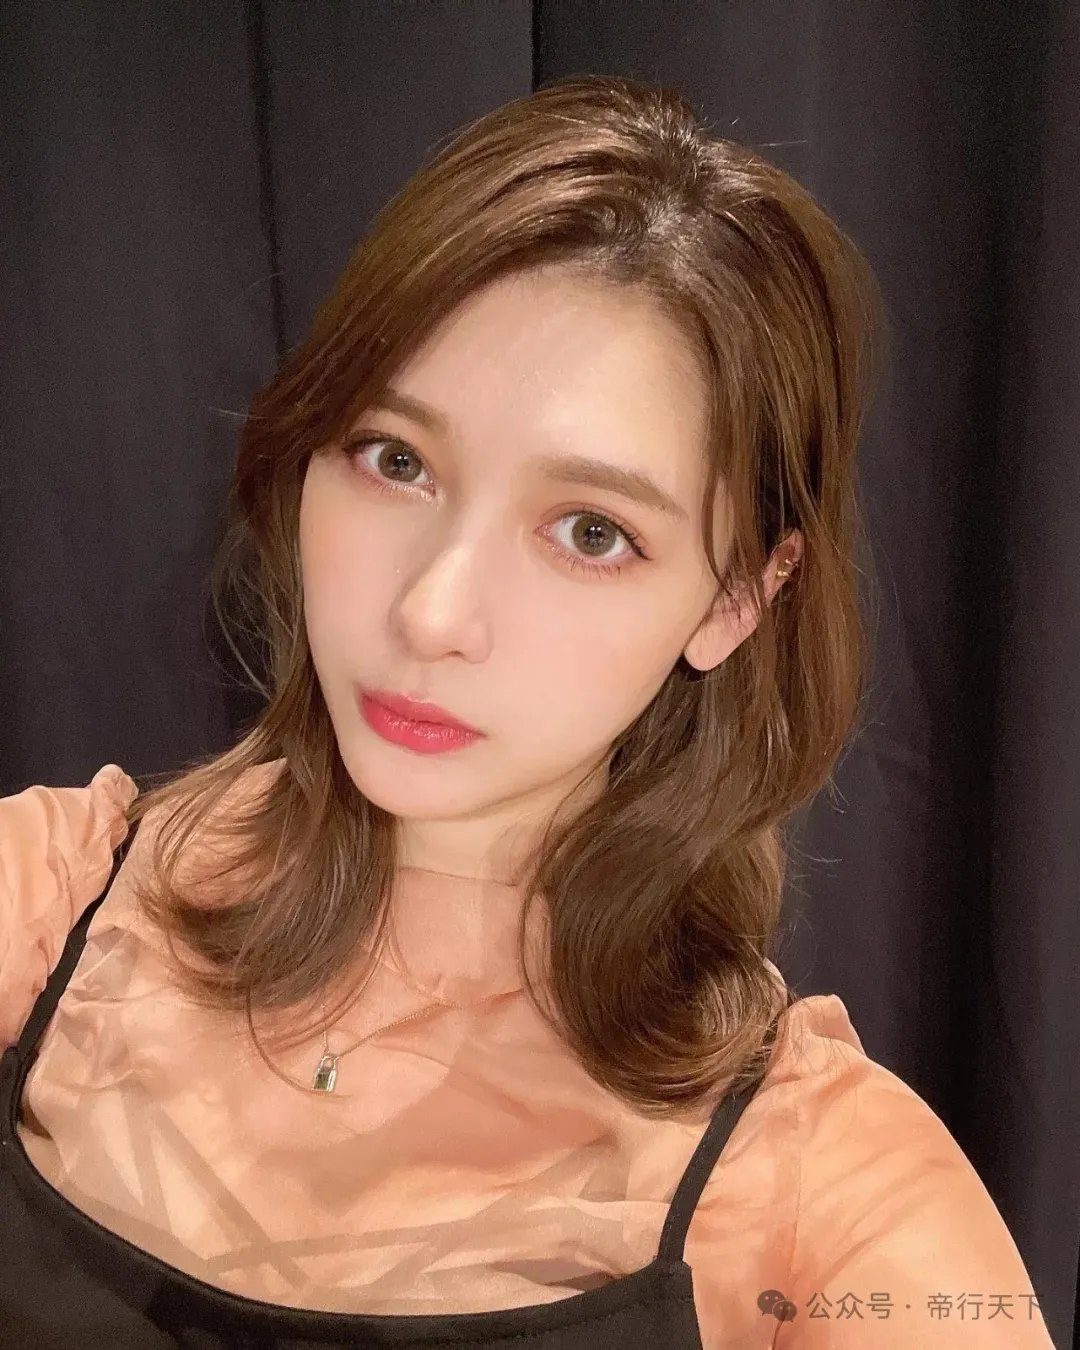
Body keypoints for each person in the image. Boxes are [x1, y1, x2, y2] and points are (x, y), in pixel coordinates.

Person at [0, 74, 1054, 1350]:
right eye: (396, 460)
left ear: (736, 600)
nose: (434, 611)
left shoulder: (823, 1195)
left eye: (590, 532)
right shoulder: (50, 901)